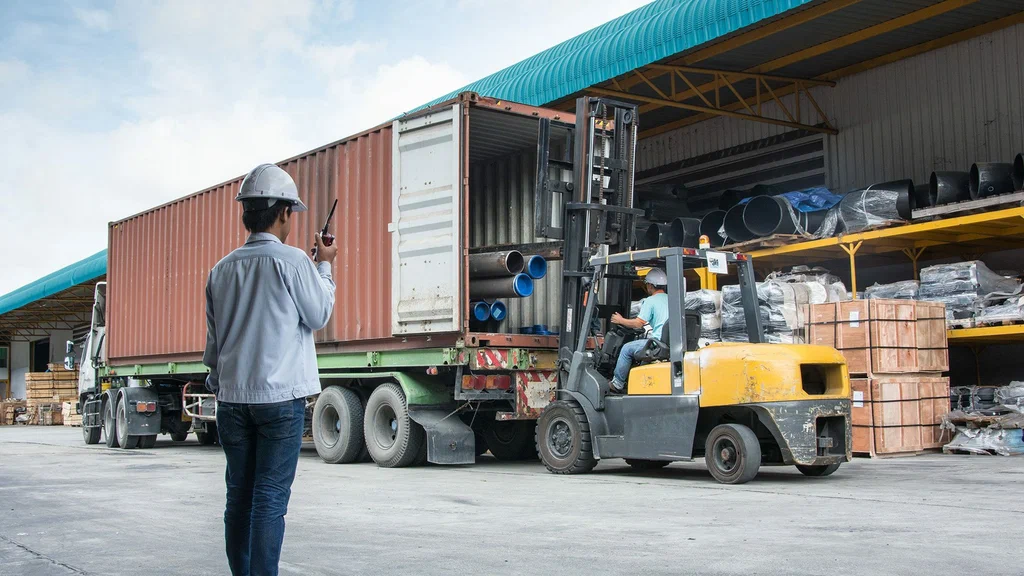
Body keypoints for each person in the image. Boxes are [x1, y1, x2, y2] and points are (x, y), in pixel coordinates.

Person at [203, 163, 337, 576]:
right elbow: (318, 314)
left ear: (247, 213)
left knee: (238, 498)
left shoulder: (221, 270)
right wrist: (325, 266)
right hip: (279, 403)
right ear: (283, 214)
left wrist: (220, 384)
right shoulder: (295, 262)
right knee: (270, 500)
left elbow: (214, 346)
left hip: (231, 400)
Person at [608, 267, 669, 393]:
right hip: (670, 343)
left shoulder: (650, 301)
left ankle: (618, 383)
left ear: (651, 285)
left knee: (626, 349)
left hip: (657, 344)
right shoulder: (671, 299)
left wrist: (620, 320)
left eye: (647, 284)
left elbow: (638, 324)